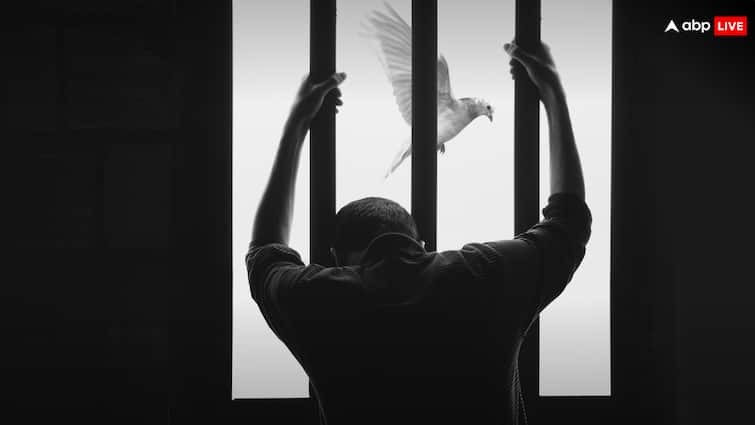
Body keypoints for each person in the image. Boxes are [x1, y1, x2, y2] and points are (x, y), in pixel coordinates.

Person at [246, 41, 591, 425]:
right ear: (421, 245)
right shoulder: (486, 276)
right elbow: (569, 223)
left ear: (336, 258)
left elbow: (263, 252)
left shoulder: (318, 299)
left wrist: (298, 121)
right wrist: (552, 90)